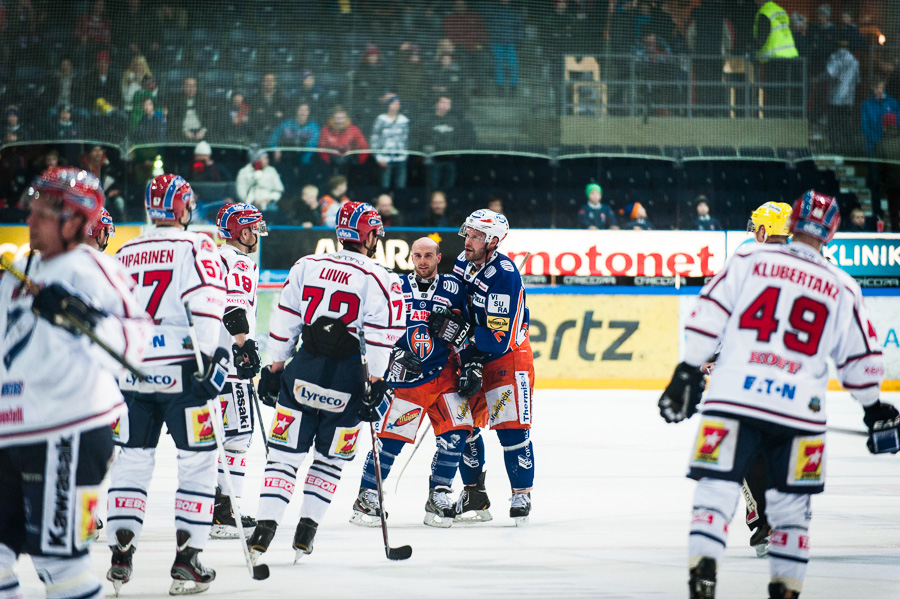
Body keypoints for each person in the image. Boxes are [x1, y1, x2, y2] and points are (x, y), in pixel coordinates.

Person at [658, 190, 895, 599]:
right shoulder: (841, 285)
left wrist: (687, 371)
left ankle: (703, 575)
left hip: (733, 399)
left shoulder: (749, 260)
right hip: (799, 413)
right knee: (791, 515)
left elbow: (706, 314)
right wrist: (874, 407)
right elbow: (862, 360)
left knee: (714, 492)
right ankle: (785, 589)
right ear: (832, 232)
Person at [0, 167, 150, 599]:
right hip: (12, 434)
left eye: (41, 212)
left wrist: (83, 316)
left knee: (61, 567)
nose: (29, 219)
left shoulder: (91, 268)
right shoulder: (16, 271)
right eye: (31, 209)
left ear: (74, 221)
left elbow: (136, 343)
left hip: (67, 434)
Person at [247, 202, 406, 564]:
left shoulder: (308, 265)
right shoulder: (383, 278)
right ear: (369, 236)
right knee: (330, 460)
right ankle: (306, 533)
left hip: (304, 370)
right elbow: (382, 337)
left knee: (284, 457)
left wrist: (274, 368)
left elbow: (284, 317)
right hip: (347, 380)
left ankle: (264, 531)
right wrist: (376, 382)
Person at [107, 174, 229, 596]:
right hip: (183, 375)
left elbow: (111, 316)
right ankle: (187, 559)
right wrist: (213, 360)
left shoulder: (124, 251)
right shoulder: (197, 245)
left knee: (132, 459)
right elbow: (208, 305)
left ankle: (121, 553)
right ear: (183, 208)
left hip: (132, 372)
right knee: (198, 462)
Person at [350, 237, 475, 528]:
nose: (422, 261)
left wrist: (468, 359)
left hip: (444, 376)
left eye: (428, 255)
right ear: (411, 258)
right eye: (417, 255)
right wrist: (390, 357)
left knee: (456, 434)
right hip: (406, 377)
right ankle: (367, 495)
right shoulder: (395, 287)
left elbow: (467, 331)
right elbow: (374, 326)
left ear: (438, 257)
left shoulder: (454, 288)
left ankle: (439, 494)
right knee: (392, 439)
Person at [447, 209, 535, 525]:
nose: (467, 241)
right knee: (461, 426)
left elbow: (497, 338)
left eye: (475, 236)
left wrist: (463, 336)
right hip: (471, 352)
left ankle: (521, 494)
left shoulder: (504, 274)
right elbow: (456, 304)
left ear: (493, 241)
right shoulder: (461, 261)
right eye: (467, 234)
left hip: (506, 358)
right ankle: (474, 493)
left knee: (511, 430)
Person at [210, 203, 267, 539]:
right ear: (241, 232)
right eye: (254, 229)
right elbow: (233, 308)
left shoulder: (213, 257)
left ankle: (211, 506)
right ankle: (225, 513)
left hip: (207, 364)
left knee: (210, 439)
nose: (257, 234)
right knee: (237, 439)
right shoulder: (240, 262)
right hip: (231, 366)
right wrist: (245, 347)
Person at [753, 0, 800, 118]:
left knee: (774, 88)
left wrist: (755, 52)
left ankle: (775, 115)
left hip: (775, 57)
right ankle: (785, 114)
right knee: (786, 88)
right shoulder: (781, 10)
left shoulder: (765, 12)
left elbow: (761, 37)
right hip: (790, 55)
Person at [371, 96, 410, 190]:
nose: (395, 106)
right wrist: (378, 156)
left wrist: (405, 155)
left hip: (400, 158)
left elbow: (406, 138)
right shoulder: (381, 119)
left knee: (400, 186)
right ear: (388, 105)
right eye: (393, 103)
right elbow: (374, 138)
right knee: (385, 186)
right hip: (385, 158)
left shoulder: (404, 120)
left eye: (397, 104)